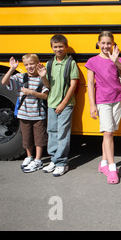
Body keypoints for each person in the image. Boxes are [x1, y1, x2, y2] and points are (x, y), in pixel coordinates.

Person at [85, 31, 121, 184]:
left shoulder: (116, 58)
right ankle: (112, 168)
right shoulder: (92, 61)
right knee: (108, 133)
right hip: (103, 101)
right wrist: (92, 105)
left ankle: (103, 163)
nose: (105, 46)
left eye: (108, 43)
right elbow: (90, 84)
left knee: (109, 133)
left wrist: (116, 61)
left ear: (112, 44)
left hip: (117, 99)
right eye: (103, 43)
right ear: (98, 43)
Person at [38, 34, 79, 177]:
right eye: (55, 47)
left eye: (61, 46)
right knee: (52, 132)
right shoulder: (50, 64)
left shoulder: (70, 63)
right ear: (51, 48)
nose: (58, 49)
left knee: (62, 133)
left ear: (66, 47)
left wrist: (63, 103)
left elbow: (73, 85)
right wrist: (43, 76)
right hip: (51, 103)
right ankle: (54, 159)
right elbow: (48, 85)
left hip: (65, 104)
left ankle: (62, 163)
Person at [1, 54, 49, 172]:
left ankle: (38, 160)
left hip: (38, 114)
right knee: (26, 137)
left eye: (32, 64)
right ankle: (29, 157)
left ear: (37, 64)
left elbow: (45, 95)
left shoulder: (41, 78)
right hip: (24, 114)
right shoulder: (21, 77)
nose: (29, 67)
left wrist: (31, 92)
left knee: (39, 138)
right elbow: (4, 82)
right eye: (26, 65)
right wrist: (12, 68)